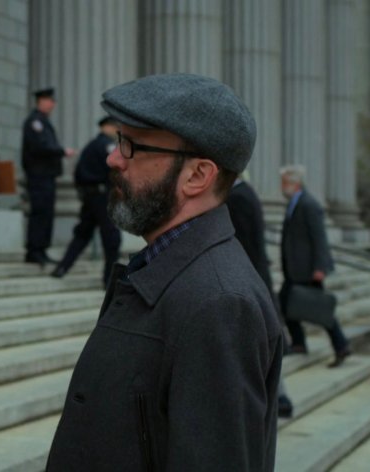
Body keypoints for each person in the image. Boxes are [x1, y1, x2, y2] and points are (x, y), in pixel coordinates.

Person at [47, 73, 283, 471]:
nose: (112, 157)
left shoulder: (220, 304)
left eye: (131, 145)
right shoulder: (170, 270)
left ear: (197, 176)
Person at [227, 176, 294, 418]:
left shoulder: (238, 197)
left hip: (251, 277)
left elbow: (245, 243)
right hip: (256, 276)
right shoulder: (246, 192)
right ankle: (279, 398)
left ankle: (281, 399)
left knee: (262, 342)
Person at [279, 165, 352, 368]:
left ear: (295, 183)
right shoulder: (294, 202)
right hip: (295, 268)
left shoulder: (309, 204)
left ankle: (341, 345)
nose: (281, 187)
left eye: (284, 182)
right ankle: (300, 343)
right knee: (285, 305)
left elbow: (319, 238)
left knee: (320, 310)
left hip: (307, 270)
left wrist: (319, 268)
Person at [50, 116, 122, 285]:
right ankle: (109, 279)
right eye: (116, 127)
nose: (117, 131)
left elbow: (78, 173)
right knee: (111, 238)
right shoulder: (107, 145)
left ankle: (62, 267)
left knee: (82, 234)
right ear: (108, 127)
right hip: (103, 197)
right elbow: (114, 169)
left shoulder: (90, 146)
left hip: (90, 197)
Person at [21, 87, 75, 266]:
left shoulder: (42, 121)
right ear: (41, 101)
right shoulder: (35, 122)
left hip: (45, 175)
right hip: (39, 175)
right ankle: (34, 250)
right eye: (49, 100)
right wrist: (61, 151)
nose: (52, 104)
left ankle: (40, 249)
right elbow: (40, 147)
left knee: (46, 213)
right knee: (40, 212)